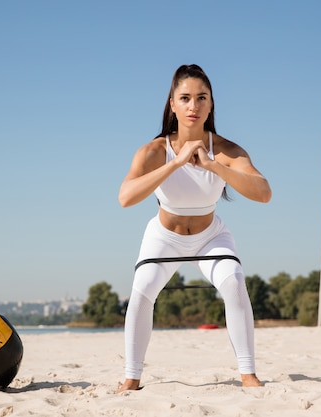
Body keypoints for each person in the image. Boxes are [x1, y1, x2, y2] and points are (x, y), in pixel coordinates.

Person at [117, 64, 272, 392]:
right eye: (185, 98)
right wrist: (176, 162)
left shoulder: (227, 150)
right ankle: (131, 377)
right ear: (172, 103)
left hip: (210, 236)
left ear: (211, 104)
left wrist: (211, 164)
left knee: (233, 282)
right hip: (164, 237)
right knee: (142, 288)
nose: (193, 106)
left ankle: (248, 374)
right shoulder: (154, 151)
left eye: (202, 98)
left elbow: (264, 193)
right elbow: (125, 198)